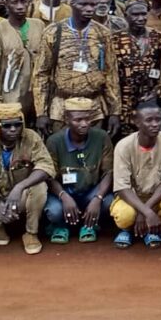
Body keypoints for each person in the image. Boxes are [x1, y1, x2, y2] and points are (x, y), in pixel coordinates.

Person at [33, 0, 121, 137]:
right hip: (61, 108)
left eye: (92, 5)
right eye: (83, 4)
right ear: (72, 4)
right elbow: (41, 74)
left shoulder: (102, 33)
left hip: (94, 108)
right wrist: (41, 113)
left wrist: (115, 112)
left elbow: (111, 73)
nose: (88, 9)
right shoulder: (53, 32)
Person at [0, 103, 54, 254]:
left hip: (22, 196)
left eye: (17, 125)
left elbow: (46, 167)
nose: (13, 129)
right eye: (7, 126)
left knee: (40, 185)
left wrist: (19, 187)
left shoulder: (31, 137)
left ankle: (31, 233)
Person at [110, 100, 161, 249]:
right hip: (133, 197)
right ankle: (127, 229)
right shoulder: (123, 146)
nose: (155, 124)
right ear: (137, 122)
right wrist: (146, 211)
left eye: (158, 119)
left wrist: (145, 212)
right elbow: (122, 187)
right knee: (124, 215)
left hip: (157, 196)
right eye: (149, 120)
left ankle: (152, 228)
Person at [44, 98, 114, 244]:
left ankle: (89, 225)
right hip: (64, 191)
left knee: (109, 203)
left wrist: (98, 198)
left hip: (90, 192)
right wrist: (63, 196)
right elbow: (49, 177)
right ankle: (60, 225)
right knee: (54, 212)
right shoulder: (54, 141)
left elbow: (109, 172)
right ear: (66, 120)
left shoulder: (101, 137)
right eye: (78, 120)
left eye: (88, 119)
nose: (84, 124)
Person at [0, 0, 45, 123]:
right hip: (10, 91)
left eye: (23, 2)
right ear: (7, 4)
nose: (20, 6)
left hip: (34, 92)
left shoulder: (38, 25)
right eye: (15, 2)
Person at [111, 0, 161, 136]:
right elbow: (111, 74)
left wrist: (156, 92)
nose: (140, 18)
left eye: (143, 14)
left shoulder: (158, 38)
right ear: (126, 15)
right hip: (124, 101)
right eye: (135, 14)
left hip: (150, 100)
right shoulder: (115, 40)